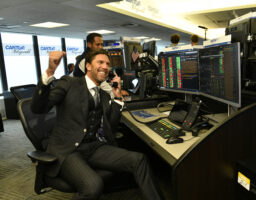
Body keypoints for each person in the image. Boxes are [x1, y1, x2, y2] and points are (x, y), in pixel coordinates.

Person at [31, 49, 164, 200]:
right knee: (93, 186)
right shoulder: (70, 83)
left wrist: (118, 98)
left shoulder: (104, 94)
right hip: (67, 149)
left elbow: (111, 126)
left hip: (93, 147)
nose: (105, 66)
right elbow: (38, 108)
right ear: (88, 66)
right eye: (100, 62)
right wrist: (49, 71)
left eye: (107, 64)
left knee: (139, 159)